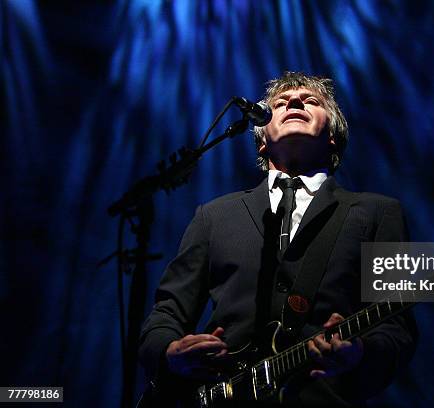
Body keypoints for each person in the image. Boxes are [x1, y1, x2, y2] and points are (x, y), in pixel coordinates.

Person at [139, 71, 418, 407]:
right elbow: (166, 314)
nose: (295, 102)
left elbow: (397, 328)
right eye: (281, 103)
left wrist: (360, 352)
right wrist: (170, 351)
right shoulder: (214, 216)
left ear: (331, 134)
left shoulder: (378, 213)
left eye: (311, 101)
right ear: (261, 138)